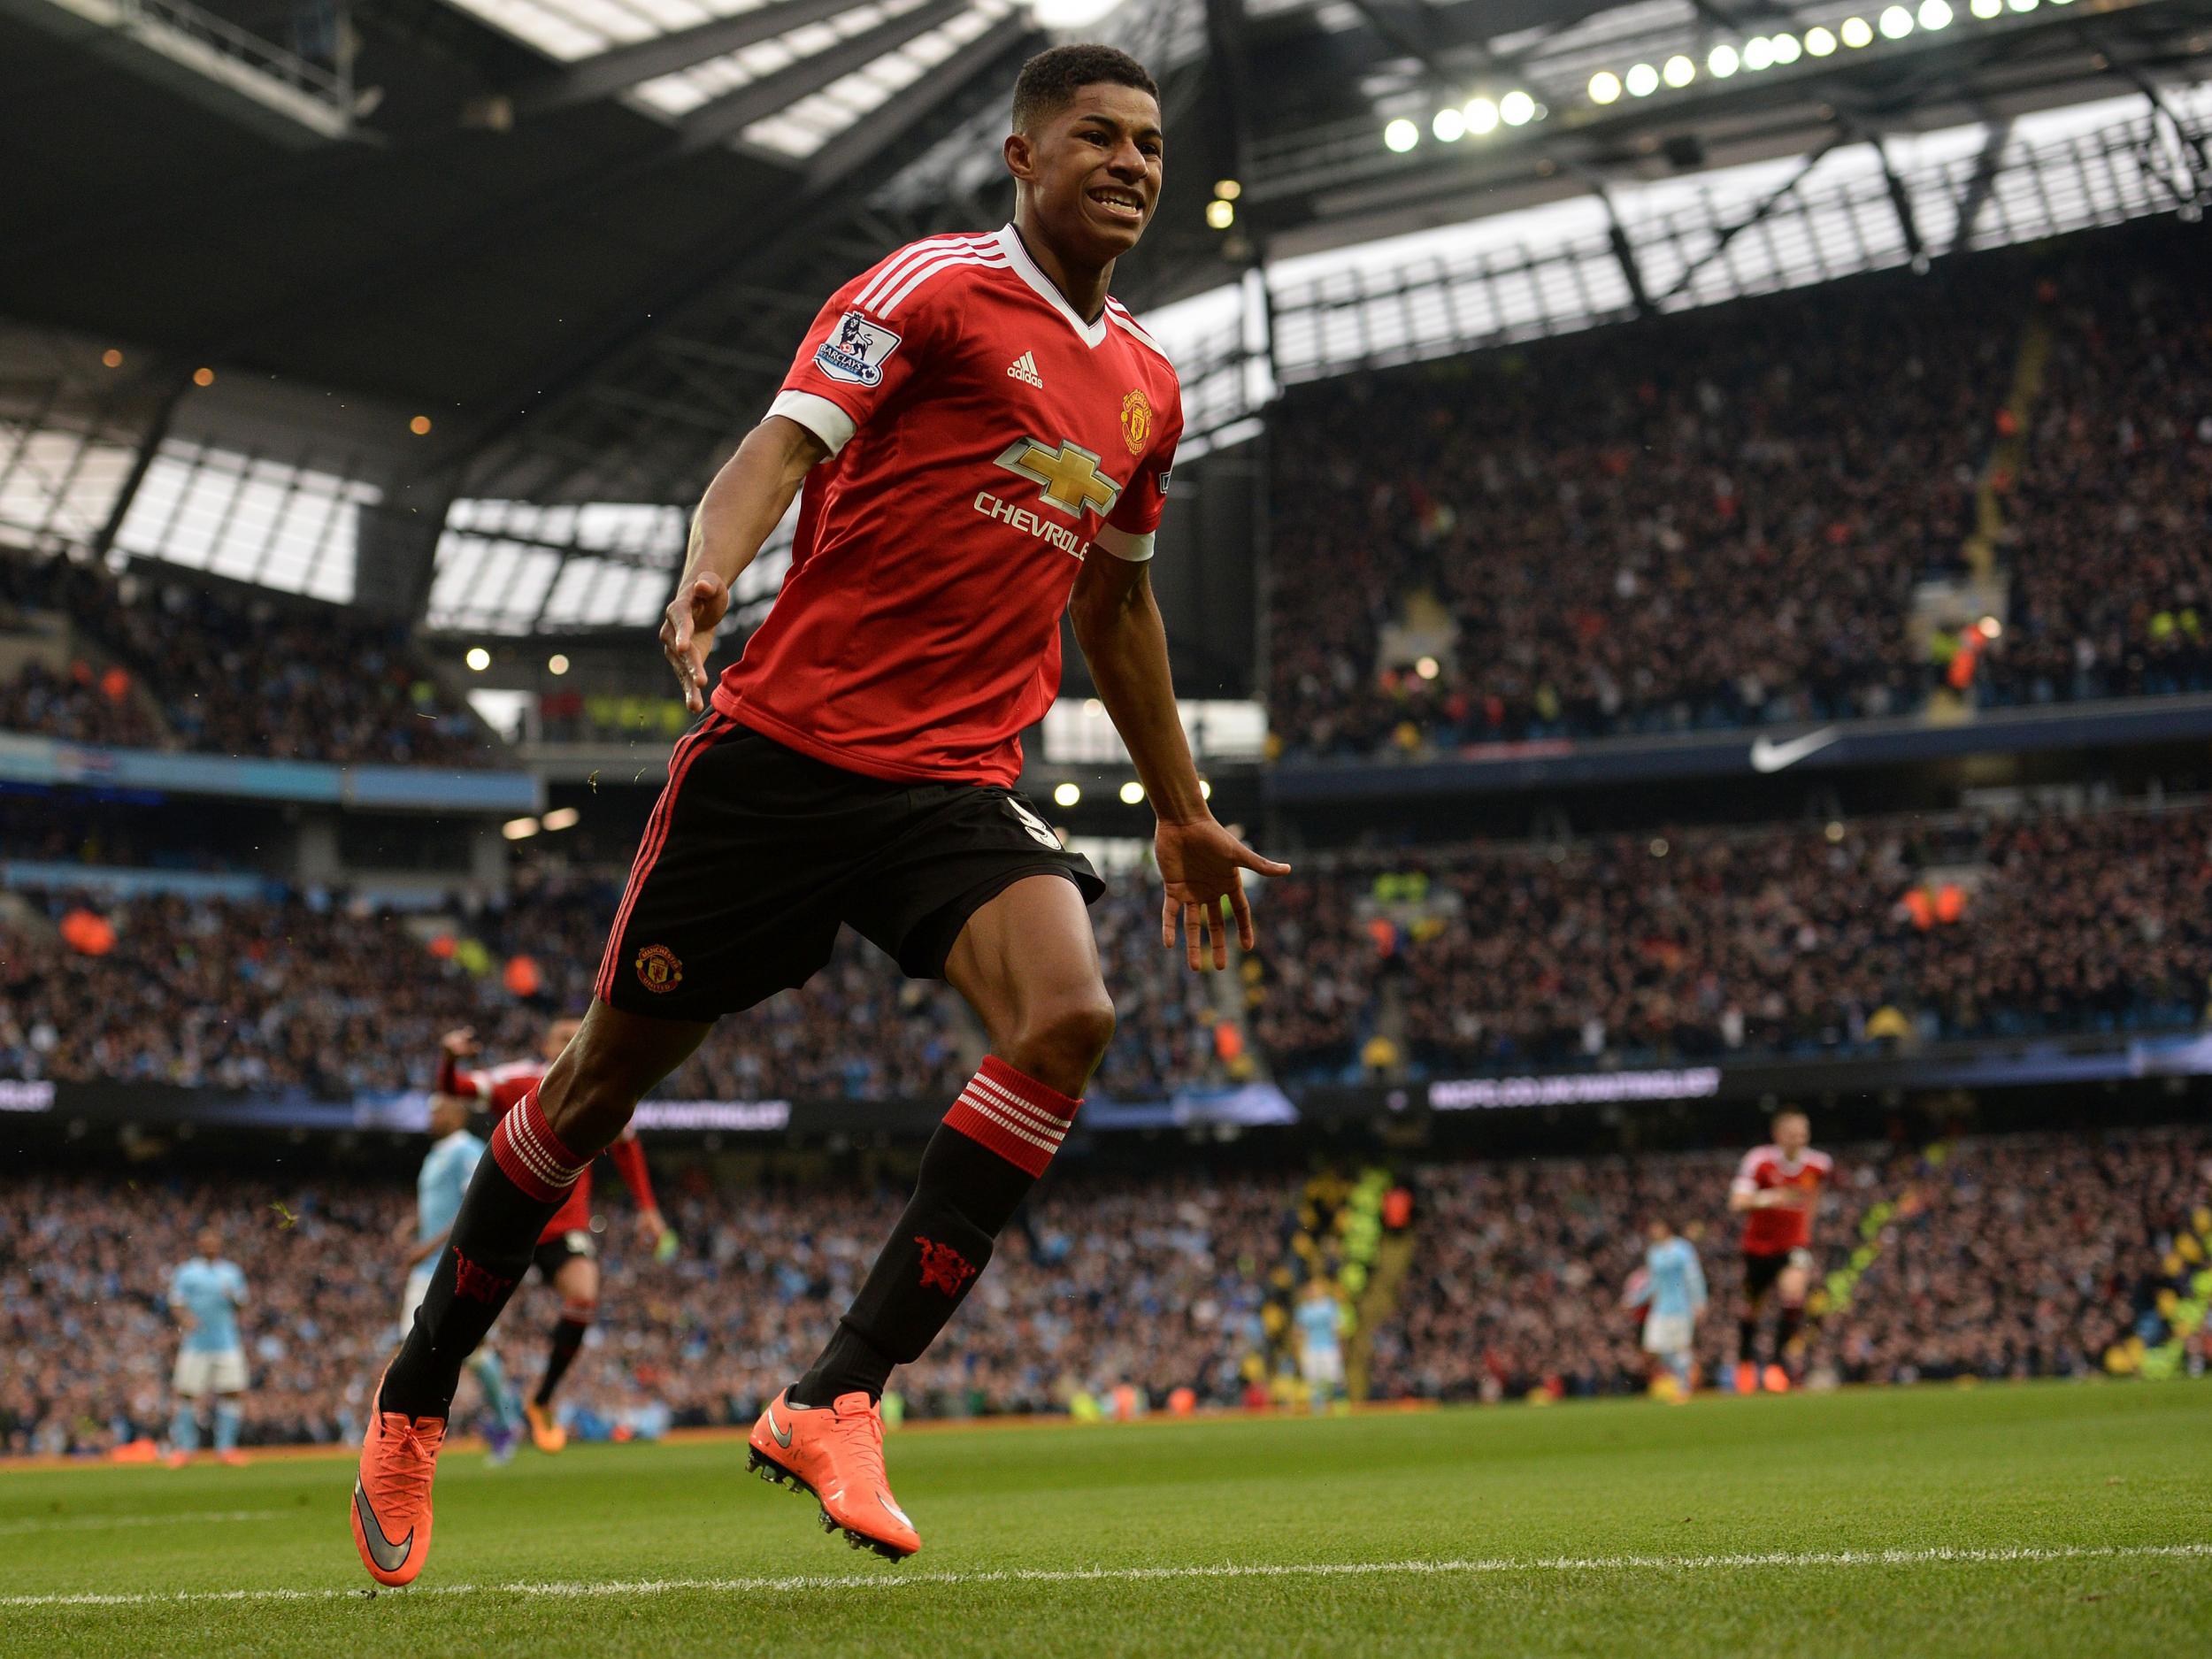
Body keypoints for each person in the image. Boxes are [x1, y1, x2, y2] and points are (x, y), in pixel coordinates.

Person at [351, 41, 1286, 1587]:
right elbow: (782, 445)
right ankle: (417, 1387)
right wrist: (714, 561)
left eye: (1149, 145)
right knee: (590, 1093)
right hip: (783, 757)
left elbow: (1117, 613)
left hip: (953, 781)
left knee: (1069, 1015)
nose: (1131, 164)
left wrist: (1180, 809)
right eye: (1098, 138)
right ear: (1023, 155)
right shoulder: (923, 288)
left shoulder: (1150, 389)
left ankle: (837, 1393)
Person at [432, 1022, 668, 1453]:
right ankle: (428, 1406)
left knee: (583, 1297)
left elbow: (627, 1147)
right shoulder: (521, 1080)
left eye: (580, 1034)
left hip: (564, 1226)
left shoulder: (603, 1085)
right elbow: (454, 1088)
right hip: (513, 1218)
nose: (573, 1041)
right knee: (465, 1319)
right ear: (545, 1044)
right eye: (563, 1037)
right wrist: (449, 1057)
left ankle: (540, 1401)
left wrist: (649, 1210)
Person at [399, 1090, 526, 1463]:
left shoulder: (466, 1150)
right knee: (438, 1349)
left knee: (425, 1348)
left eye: (438, 1108)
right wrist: (415, 1224)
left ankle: (407, 1437)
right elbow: (442, 1206)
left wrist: (428, 1245)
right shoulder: (437, 1154)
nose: (431, 1115)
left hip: (446, 1266)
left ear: (458, 1111)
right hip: (430, 1266)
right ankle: (502, 1422)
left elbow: (475, 1205)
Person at [1728, 1109, 1832, 1394]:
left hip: (1793, 1246)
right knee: (1752, 1309)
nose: (1799, 1138)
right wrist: (1771, 1198)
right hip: (1758, 1247)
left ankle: (1776, 1366)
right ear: (1778, 1135)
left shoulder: (1819, 1165)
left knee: (1793, 1297)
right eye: (1793, 1133)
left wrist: (1805, 1233)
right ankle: (1746, 1362)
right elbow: (1737, 1202)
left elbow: (1814, 1199)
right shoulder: (1759, 1161)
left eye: (1804, 1132)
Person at [167, 1226, 249, 1467]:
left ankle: (226, 1448)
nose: (210, 1245)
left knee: (232, 1391)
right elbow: (176, 1302)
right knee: (186, 1393)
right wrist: (185, 1320)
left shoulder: (231, 1273)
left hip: (226, 1341)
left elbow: (241, 1304)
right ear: (199, 1244)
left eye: (214, 1241)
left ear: (219, 1244)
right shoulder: (187, 1272)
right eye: (206, 1241)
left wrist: (233, 1298)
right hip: (196, 1342)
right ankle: (185, 1449)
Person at [1626, 1217, 1707, 1400]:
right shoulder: (1654, 1253)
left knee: (1679, 1348)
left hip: (1681, 1307)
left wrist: (1699, 1302)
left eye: (1656, 1227)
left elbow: (1694, 1277)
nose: (1653, 1231)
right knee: (1655, 1347)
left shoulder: (1683, 1249)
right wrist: (1634, 1300)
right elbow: (1653, 1283)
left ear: (1667, 1228)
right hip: (1660, 1309)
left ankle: (1684, 1387)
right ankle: (1684, 1377)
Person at [1293, 1279, 1347, 1412]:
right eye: (1310, 1289)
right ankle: (1318, 1409)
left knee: (1336, 1377)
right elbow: (1299, 1332)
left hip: (1329, 1347)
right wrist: (1298, 1350)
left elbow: (1337, 1328)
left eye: (1315, 1289)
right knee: (1314, 1381)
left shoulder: (1330, 1306)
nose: (1312, 1292)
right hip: (1310, 1349)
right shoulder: (1303, 1309)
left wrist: (1341, 1346)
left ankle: (1341, 1406)